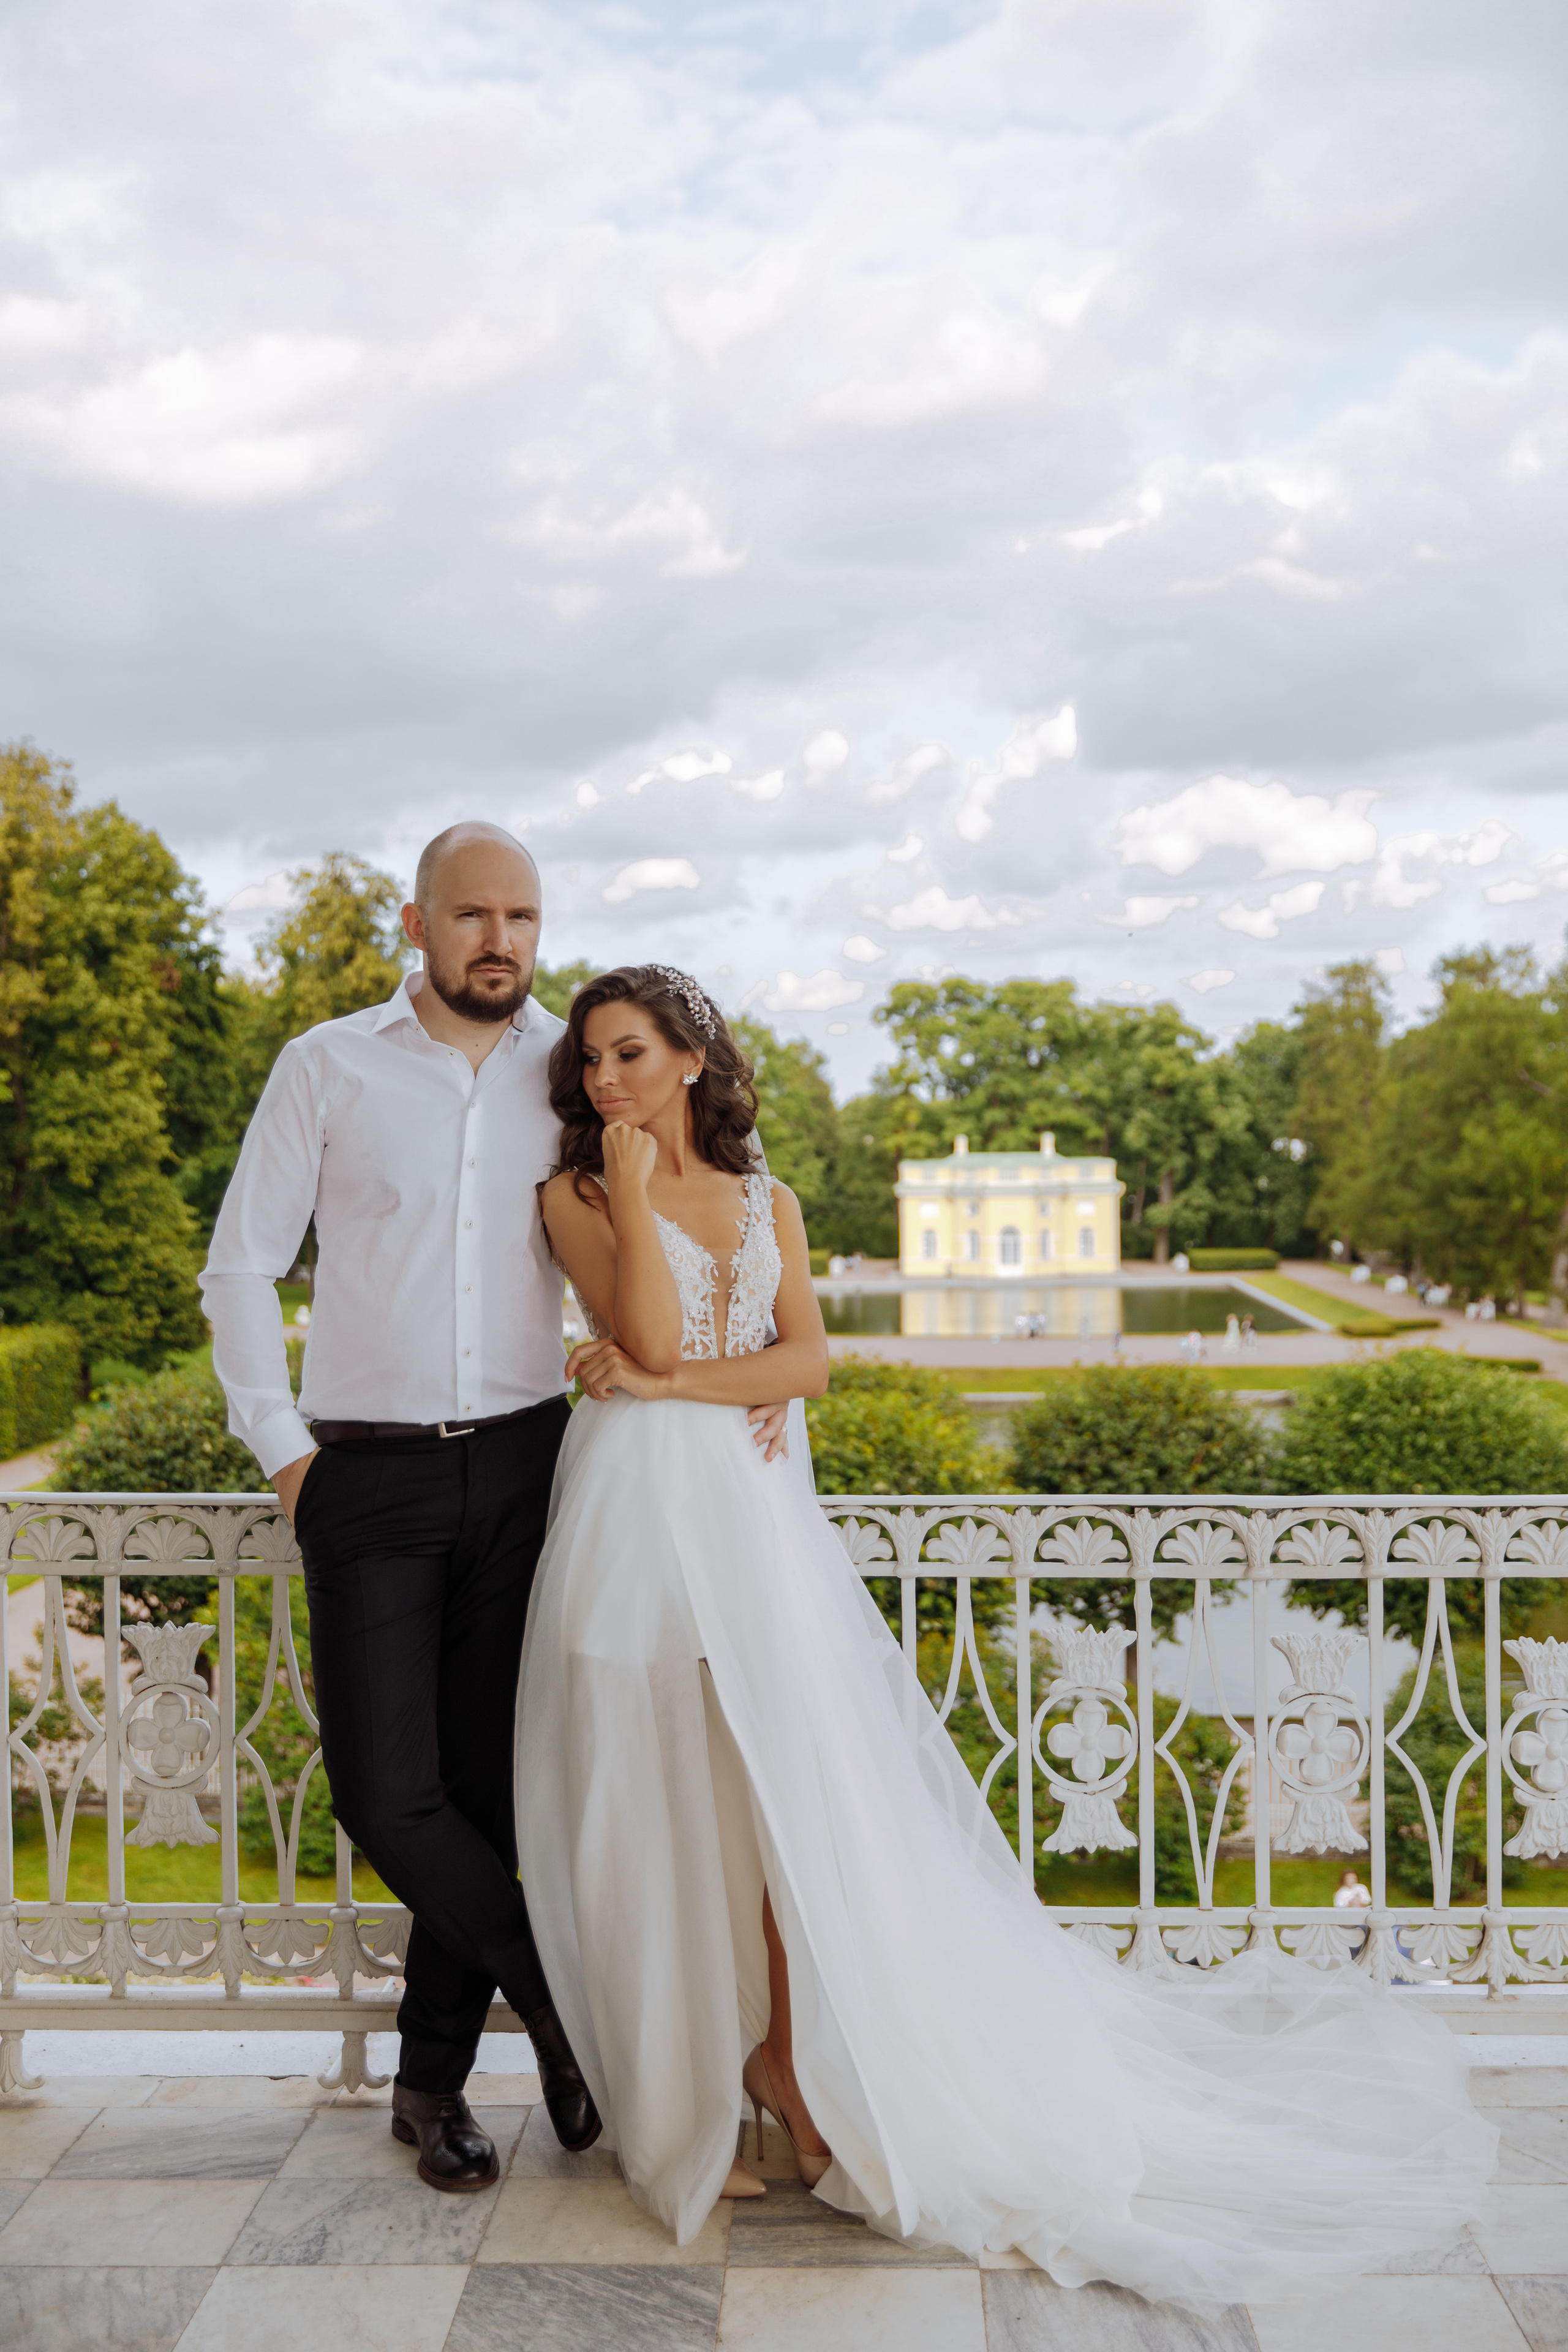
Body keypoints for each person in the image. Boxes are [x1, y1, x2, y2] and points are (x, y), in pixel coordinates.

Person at [517, 965, 1493, 2309]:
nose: (603, 1081)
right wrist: (631, 1209)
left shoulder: (770, 1202)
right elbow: (649, 1330)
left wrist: (669, 1378)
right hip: (632, 1538)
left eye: (629, 1055)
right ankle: (676, 2097)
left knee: (800, 1823)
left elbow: (796, 1367)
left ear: (690, 1059)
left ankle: (795, 2076)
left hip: (752, 1541)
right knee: (667, 1817)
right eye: (590, 1064)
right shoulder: (572, 1196)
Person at [201, 831, 788, 2196]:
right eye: (473, 913)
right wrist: (286, 1455)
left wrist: (750, 1382)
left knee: (484, 1792)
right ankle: (565, 2011)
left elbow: (716, 1220)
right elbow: (240, 1268)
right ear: (417, 922)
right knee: (384, 1791)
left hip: (537, 1466)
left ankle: (432, 2088)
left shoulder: (576, 1069)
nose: (499, 938)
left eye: (521, 914)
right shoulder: (326, 1065)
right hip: (366, 1474)